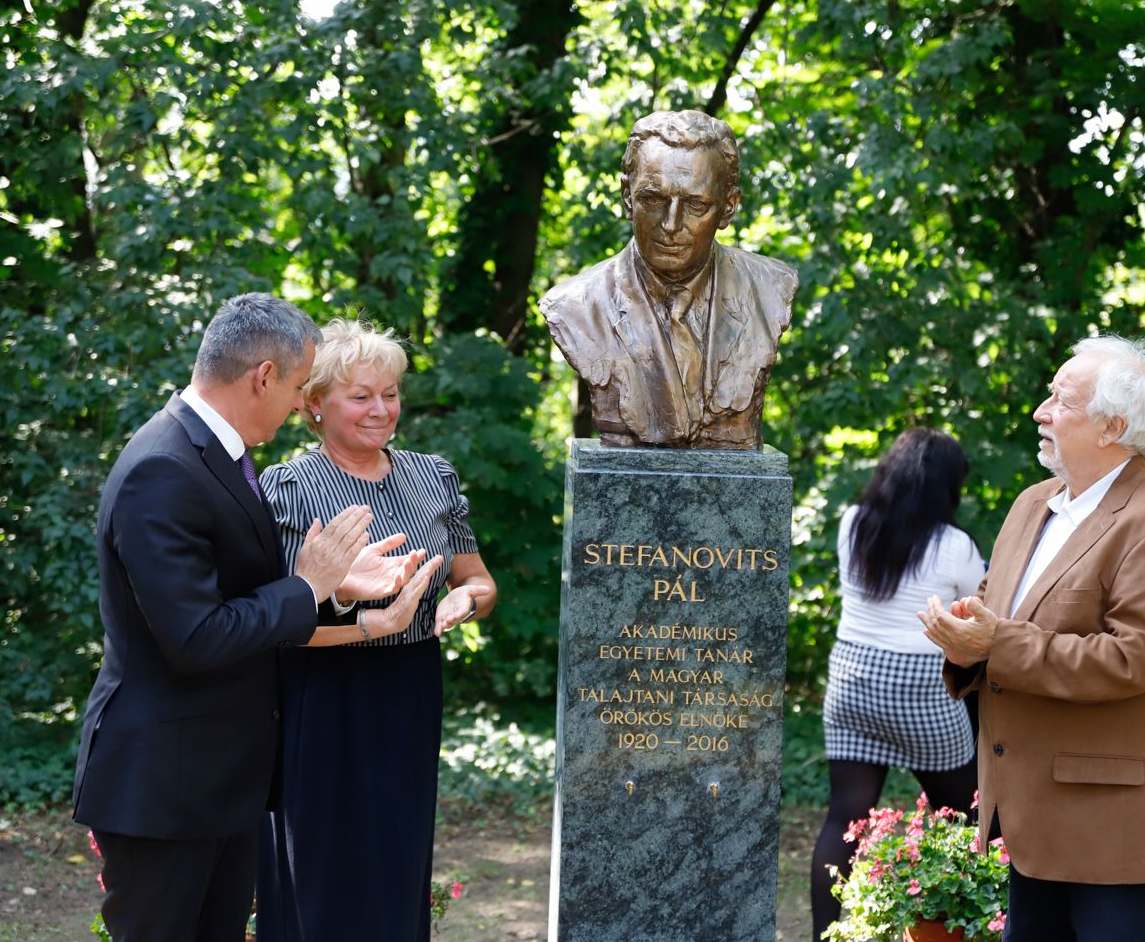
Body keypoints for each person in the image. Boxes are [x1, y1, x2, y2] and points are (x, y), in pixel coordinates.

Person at [73, 293, 438, 941]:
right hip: (166, 785)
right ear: (263, 377)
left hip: (222, 778)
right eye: (301, 385)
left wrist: (343, 591)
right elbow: (196, 636)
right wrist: (308, 586)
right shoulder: (162, 467)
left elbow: (244, 593)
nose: (304, 403)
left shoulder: (220, 455)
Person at [919, 335, 1145, 942]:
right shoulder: (1034, 504)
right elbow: (997, 616)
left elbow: (1131, 660)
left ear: (1112, 426)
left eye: (1061, 399)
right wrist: (964, 644)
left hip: (1114, 831)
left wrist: (993, 643)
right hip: (1033, 819)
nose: (1040, 411)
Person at [255, 318, 497, 942]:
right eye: (360, 396)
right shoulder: (286, 488)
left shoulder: (433, 477)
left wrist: (462, 602)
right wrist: (346, 596)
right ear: (314, 404)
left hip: (410, 686)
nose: (380, 410)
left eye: (389, 394)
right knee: (322, 861)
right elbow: (275, 618)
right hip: (322, 689)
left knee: (398, 851)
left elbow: (478, 579)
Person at [810, 428, 985, 940]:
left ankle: (826, 935)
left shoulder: (853, 523)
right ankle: (962, 926)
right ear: (945, 487)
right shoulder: (954, 545)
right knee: (970, 814)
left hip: (852, 678)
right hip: (919, 686)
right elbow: (981, 608)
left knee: (844, 816)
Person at [538, 109, 798, 450]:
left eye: (694, 205)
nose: (671, 224)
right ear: (627, 198)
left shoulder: (770, 288)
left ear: (729, 207)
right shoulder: (576, 306)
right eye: (653, 199)